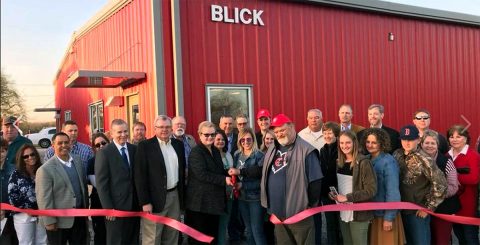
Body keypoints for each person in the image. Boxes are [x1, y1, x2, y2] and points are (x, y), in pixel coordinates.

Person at [260, 114, 323, 244]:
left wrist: (308, 205)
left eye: (282, 130)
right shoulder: (273, 148)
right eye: (276, 132)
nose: (279, 134)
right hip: (278, 214)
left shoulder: (306, 150)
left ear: (292, 126)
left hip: (300, 214)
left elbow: (316, 182)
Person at [134, 115, 186, 245]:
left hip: (174, 197)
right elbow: (140, 176)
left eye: (168, 127)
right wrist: (145, 201)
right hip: (154, 199)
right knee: (153, 238)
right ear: (155, 128)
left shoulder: (178, 145)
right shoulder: (145, 146)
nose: (165, 130)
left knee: (172, 235)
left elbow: (182, 172)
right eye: (161, 127)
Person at [393, 125, 447, 245]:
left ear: (418, 140)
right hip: (399, 210)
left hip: (417, 211)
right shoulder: (396, 155)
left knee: (420, 242)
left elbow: (441, 184)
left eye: (411, 139)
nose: (407, 142)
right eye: (404, 139)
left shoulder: (425, 159)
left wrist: (429, 208)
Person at [35, 132, 89, 245]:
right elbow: (44, 198)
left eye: (66, 142)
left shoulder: (77, 160)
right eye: (60, 143)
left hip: (79, 217)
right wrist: (49, 221)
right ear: (53, 145)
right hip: (58, 222)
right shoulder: (45, 170)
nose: (64, 145)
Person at [185, 121, 232, 244]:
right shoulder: (196, 152)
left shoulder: (215, 150)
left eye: (212, 134)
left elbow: (218, 170)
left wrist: (229, 173)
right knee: (199, 240)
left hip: (213, 204)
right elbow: (202, 175)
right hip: (199, 205)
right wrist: (223, 179)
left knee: (212, 237)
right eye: (206, 135)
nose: (210, 137)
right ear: (199, 135)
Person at [95, 119, 140, 245]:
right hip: (115, 207)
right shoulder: (104, 153)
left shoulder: (134, 149)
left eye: (125, 131)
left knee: (133, 239)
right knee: (116, 240)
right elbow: (101, 184)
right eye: (119, 132)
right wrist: (108, 208)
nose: (123, 134)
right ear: (112, 134)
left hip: (134, 205)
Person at [332, 130, 376, 245]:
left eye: (348, 143)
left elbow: (371, 191)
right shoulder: (339, 162)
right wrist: (334, 195)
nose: (344, 146)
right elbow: (341, 186)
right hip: (343, 212)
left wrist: (347, 197)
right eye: (341, 143)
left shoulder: (363, 162)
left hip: (359, 215)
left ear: (354, 143)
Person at [361, 128, 404, 245]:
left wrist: (389, 217)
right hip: (372, 213)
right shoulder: (366, 159)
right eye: (368, 142)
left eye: (374, 142)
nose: (370, 145)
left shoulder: (388, 162)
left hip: (384, 215)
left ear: (382, 143)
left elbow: (393, 191)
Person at [420, 130, 460, 245]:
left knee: (441, 240)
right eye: (427, 143)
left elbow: (453, 186)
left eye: (433, 143)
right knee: (426, 240)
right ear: (421, 144)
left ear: (438, 145)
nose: (429, 146)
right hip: (421, 208)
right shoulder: (416, 160)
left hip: (443, 208)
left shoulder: (446, 161)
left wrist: (435, 196)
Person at [229, 128, 266, 245]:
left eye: (248, 139)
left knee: (257, 230)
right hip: (241, 197)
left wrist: (243, 185)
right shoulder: (237, 154)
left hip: (255, 198)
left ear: (253, 139)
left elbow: (262, 181)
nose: (246, 142)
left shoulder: (259, 155)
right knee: (248, 230)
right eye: (242, 140)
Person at [8, 145, 47, 245]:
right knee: (26, 243)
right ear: (21, 159)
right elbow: (12, 196)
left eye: (32, 154)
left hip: (43, 213)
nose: (30, 157)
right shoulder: (16, 174)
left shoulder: (43, 170)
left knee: (42, 242)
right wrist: (28, 209)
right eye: (26, 156)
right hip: (23, 216)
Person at [447, 125, 479, 245]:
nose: (454, 139)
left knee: (470, 238)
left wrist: (453, 178)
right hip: (452, 204)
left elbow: (474, 179)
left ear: (465, 139)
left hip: (468, 205)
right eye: (451, 136)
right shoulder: (447, 156)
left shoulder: (473, 156)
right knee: (459, 237)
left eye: (458, 136)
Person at [297, 108, 325, 244]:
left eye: (317, 117)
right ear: (307, 119)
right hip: (310, 182)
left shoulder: (328, 134)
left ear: (322, 118)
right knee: (314, 214)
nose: (314, 120)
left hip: (328, 180)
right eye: (311, 117)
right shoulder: (301, 136)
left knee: (332, 216)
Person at [319, 122, 342, 245]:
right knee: (330, 224)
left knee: (342, 224)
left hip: (341, 192)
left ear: (336, 134)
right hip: (326, 193)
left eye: (330, 133)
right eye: (325, 133)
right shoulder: (322, 150)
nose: (327, 135)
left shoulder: (341, 149)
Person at [87, 132, 110, 245]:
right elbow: (98, 184)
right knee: (100, 233)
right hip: (98, 202)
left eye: (103, 143)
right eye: (97, 145)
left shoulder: (116, 159)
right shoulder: (91, 162)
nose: (101, 146)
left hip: (116, 202)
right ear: (94, 148)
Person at [214, 130, 234, 245]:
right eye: (218, 139)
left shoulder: (228, 154)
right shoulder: (211, 154)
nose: (221, 141)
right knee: (216, 223)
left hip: (229, 194)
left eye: (222, 139)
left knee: (224, 223)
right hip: (217, 195)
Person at [1, 136, 20, 244]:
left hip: (12, 215)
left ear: (7, 151)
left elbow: (19, 192)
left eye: (2, 151)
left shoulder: (14, 169)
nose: (0, 154)